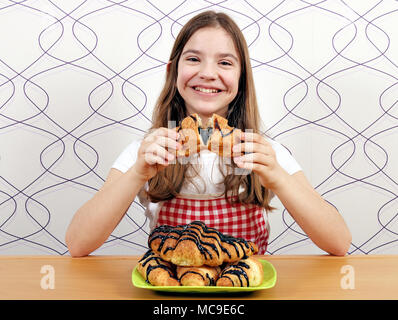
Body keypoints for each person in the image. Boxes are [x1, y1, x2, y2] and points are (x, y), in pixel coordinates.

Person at [65, 11, 351, 257]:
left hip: (242, 290)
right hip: (172, 292)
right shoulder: (146, 152)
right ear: (173, 71)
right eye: (193, 59)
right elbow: (78, 243)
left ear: (241, 78)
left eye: (225, 63)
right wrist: (138, 173)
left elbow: (338, 242)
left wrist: (277, 175)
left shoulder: (263, 151)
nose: (208, 73)